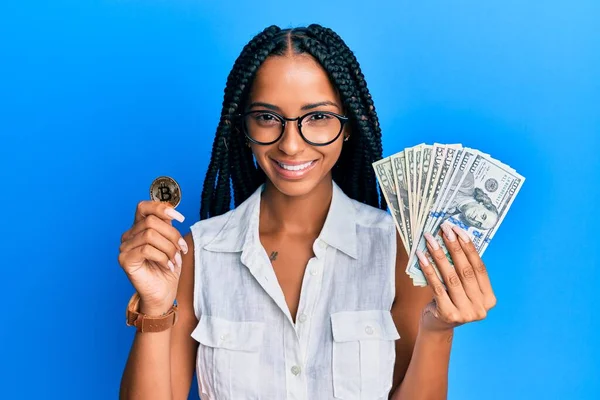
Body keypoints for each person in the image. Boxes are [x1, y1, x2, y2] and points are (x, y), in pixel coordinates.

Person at [118, 24, 497, 400]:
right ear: (244, 127)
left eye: (317, 117)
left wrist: (439, 329)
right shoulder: (198, 254)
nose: (292, 145)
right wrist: (154, 307)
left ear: (349, 125)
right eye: (268, 117)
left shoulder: (398, 251)